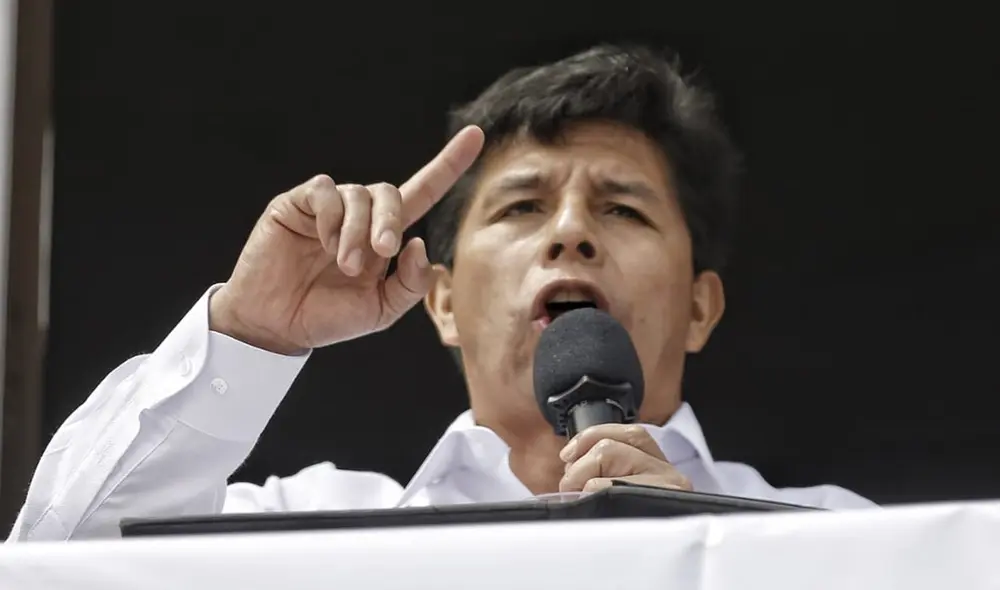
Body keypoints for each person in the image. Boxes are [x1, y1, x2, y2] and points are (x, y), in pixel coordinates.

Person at [7, 44, 873, 542]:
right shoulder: (308, 531)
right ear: (443, 302)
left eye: (622, 208)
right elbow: (54, 566)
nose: (571, 231)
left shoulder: (831, 541)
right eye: (523, 205)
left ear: (698, 308)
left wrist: (709, 557)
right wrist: (248, 336)